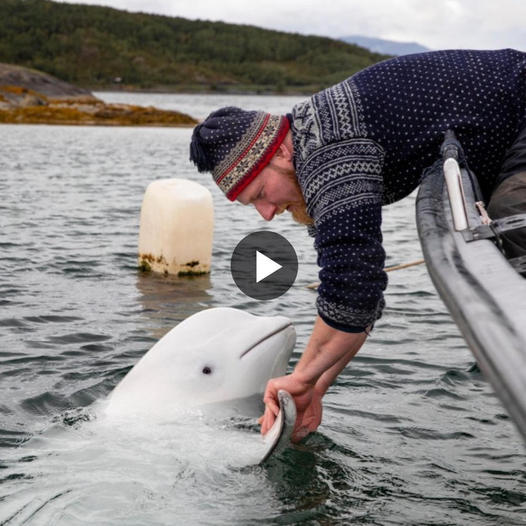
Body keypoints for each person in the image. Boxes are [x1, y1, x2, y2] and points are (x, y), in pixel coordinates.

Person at [189, 48, 526, 441]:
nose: (266, 213)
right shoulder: (310, 142)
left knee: (515, 218)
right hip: (505, 128)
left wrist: (298, 378)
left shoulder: (326, 156)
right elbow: (359, 299)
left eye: (262, 193)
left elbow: (352, 296)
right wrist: (315, 387)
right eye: (253, 206)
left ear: (279, 152)